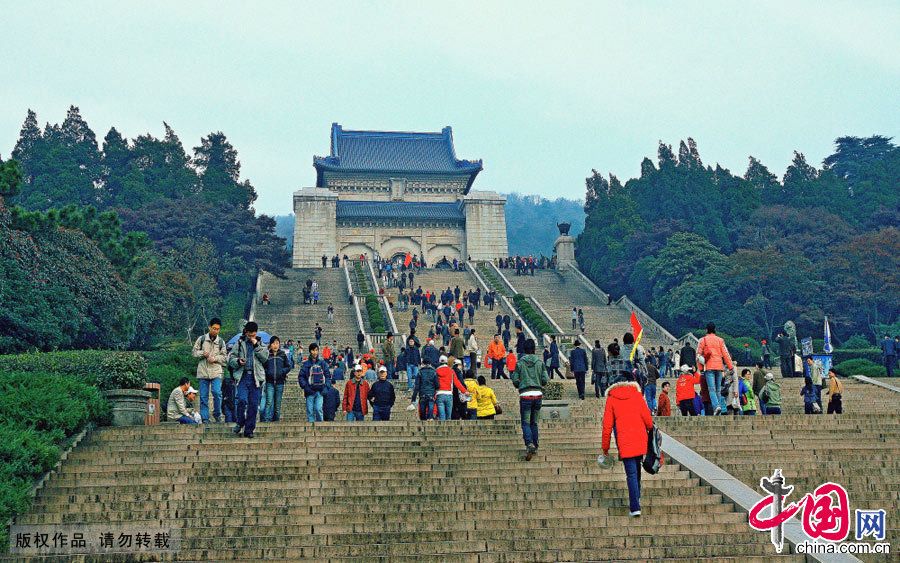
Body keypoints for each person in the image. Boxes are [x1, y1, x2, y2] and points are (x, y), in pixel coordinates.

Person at [600, 372, 654, 517]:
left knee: (631, 473)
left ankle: (635, 507)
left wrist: (605, 448)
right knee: (636, 470)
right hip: (640, 438)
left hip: (624, 441)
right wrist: (650, 430)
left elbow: (607, 426)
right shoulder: (637, 395)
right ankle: (636, 496)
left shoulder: (611, 399)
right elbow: (648, 420)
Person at [227, 322, 269, 438]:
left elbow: (265, 358)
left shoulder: (260, 343)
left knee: (254, 404)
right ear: (246, 332)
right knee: (241, 400)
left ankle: (249, 429)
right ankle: (240, 422)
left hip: (256, 378)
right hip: (243, 376)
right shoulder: (239, 343)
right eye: (250, 335)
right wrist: (238, 361)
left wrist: (256, 346)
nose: (252, 337)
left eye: (254, 335)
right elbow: (231, 358)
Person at [511, 339, 549, 461]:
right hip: (537, 394)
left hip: (525, 395)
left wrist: (520, 384)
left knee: (525, 422)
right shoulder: (539, 362)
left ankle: (529, 443)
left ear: (524, 349)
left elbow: (515, 379)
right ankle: (535, 444)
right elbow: (545, 379)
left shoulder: (520, 363)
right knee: (534, 422)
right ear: (534, 349)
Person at [191, 317, 227, 423]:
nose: (215, 330)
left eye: (218, 329)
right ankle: (205, 418)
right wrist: (203, 353)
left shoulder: (221, 342)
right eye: (214, 328)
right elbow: (194, 353)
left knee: (217, 392)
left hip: (216, 371)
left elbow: (225, 357)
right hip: (203, 372)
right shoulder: (201, 339)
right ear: (209, 327)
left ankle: (217, 414)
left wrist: (215, 359)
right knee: (203, 397)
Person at [696, 323, 734, 415]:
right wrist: (731, 367)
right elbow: (726, 354)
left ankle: (716, 406)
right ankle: (718, 410)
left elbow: (698, 356)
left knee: (711, 389)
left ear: (706, 330)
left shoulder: (702, 340)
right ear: (715, 329)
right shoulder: (720, 340)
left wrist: (701, 368)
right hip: (719, 367)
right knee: (718, 390)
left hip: (709, 367)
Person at [299, 343, 330, 423]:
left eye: (316, 350)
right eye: (313, 350)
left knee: (318, 409)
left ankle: (320, 427)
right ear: (310, 351)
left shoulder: (322, 363)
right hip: (309, 391)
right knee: (310, 411)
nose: (315, 352)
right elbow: (301, 377)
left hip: (320, 391)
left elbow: (328, 376)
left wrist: (326, 388)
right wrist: (306, 387)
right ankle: (310, 428)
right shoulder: (306, 364)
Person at [263, 336, 291, 422]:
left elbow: (288, 366)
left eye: (277, 343)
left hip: (280, 382)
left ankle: (276, 421)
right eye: (273, 343)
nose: (275, 345)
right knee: (269, 402)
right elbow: (263, 366)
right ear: (270, 345)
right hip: (269, 382)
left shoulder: (282, 354)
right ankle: (267, 421)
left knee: (277, 405)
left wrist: (282, 371)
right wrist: (267, 372)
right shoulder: (267, 355)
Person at [436, 355, 469, 421]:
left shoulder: (436, 371)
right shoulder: (451, 371)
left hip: (439, 394)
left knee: (442, 417)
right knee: (449, 417)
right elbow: (457, 383)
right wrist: (465, 391)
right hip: (449, 394)